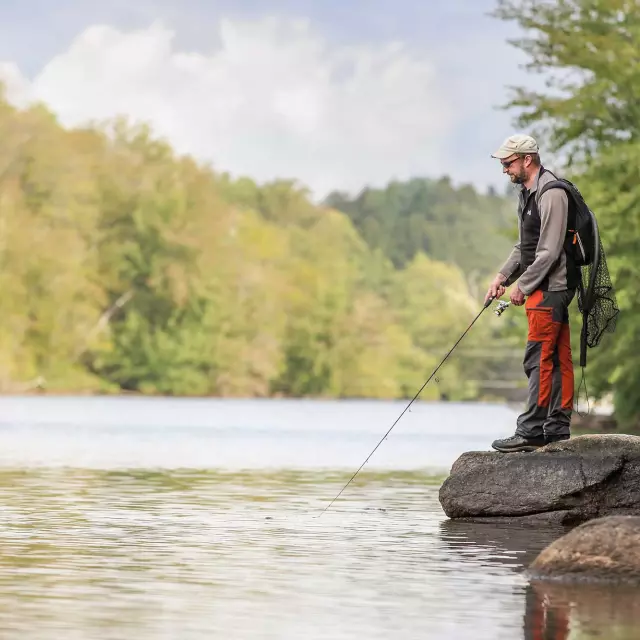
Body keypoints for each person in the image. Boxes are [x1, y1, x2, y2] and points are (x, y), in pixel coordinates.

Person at [485, 134, 580, 453]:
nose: (505, 170)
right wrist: (502, 275)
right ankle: (555, 429)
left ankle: (531, 431)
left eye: (508, 163)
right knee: (556, 356)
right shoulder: (527, 193)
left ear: (528, 159)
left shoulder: (551, 193)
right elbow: (525, 247)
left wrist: (522, 286)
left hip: (551, 288)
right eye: (502, 164)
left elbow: (550, 251)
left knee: (538, 357)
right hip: (544, 286)